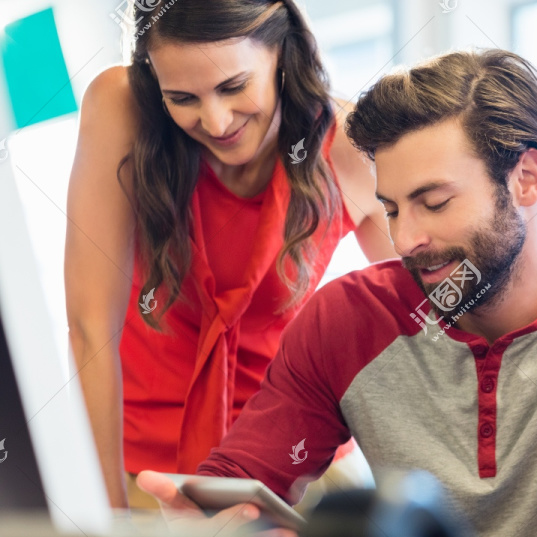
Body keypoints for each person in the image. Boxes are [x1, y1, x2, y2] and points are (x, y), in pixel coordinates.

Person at [138, 48, 537, 537]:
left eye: (433, 202)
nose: (406, 240)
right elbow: (246, 481)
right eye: (394, 209)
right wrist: (210, 523)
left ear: (527, 179)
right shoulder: (344, 322)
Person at [65, 0, 395, 509]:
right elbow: (91, 327)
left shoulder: (349, 146)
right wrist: (106, 514)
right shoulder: (121, 107)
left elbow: (422, 333)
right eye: (183, 97)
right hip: (151, 473)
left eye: (233, 86)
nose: (216, 122)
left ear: (281, 55)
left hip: (299, 473)